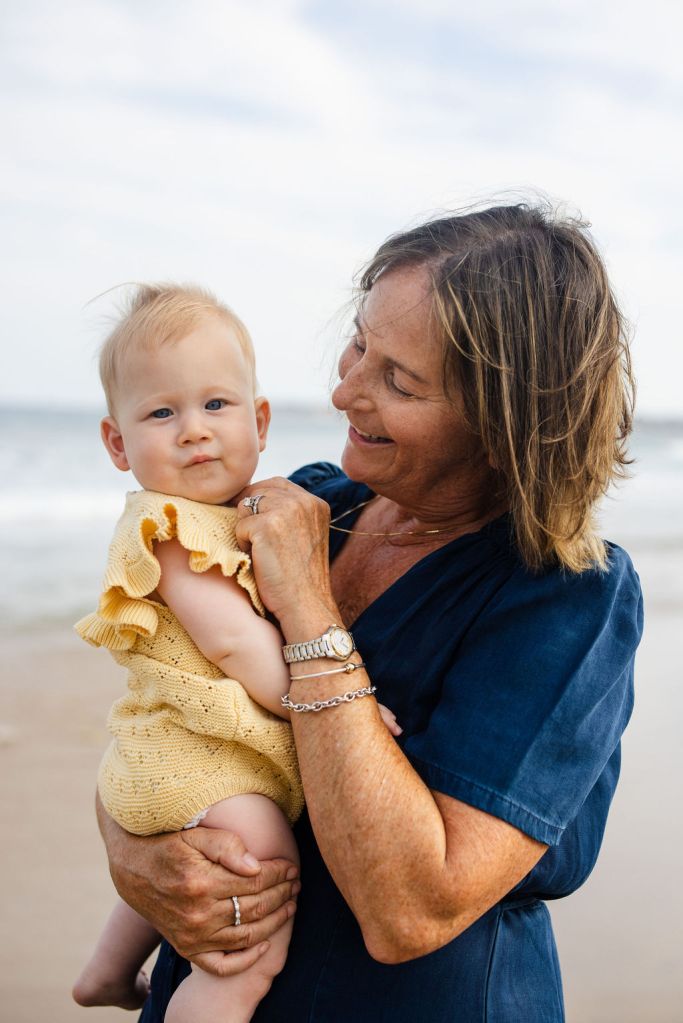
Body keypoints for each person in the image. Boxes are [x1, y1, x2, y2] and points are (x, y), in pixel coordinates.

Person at [96, 203, 643, 1022]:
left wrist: (310, 611)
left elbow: (410, 909)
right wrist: (132, 854)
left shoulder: (564, 596)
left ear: (501, 426)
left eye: (397, 379)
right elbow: (167, 705)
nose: (343, 388)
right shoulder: (310, 500)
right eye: (359, 341)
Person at [72, 283, 403, 1023]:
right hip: (200, 762)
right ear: (117, 442)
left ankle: (107, 967)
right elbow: (230, 638)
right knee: (257, 887)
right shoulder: (170, 527)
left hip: (179, 754)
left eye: (215, 405)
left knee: (191, 855)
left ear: (258, 420)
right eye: (162, 412)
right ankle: (224, 997)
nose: (193, 430)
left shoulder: (238, 512)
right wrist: (339, 700)